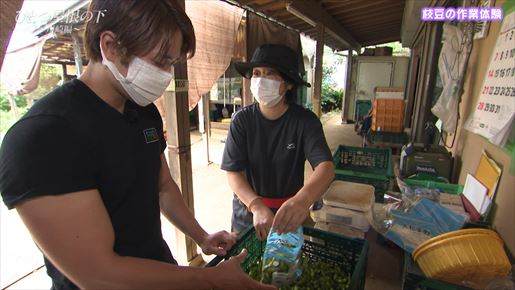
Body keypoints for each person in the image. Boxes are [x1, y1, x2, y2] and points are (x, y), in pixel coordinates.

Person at [0, 1, 275, 289]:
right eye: (161, 61)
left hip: (161, 270)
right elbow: (98, 275)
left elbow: (163, 185)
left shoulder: (143, 111)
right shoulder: (44, 137)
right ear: (110, 46)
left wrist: (201, 236)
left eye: (172, 63)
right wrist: (207, 278)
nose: (168, 74)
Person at [221, 44, 335, 240]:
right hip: (248, 215)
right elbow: (233, 172)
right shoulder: (241, 120)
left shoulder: (305, 122)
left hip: (289, 214)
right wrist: (256, 205)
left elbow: (326, 168)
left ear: (289, 83)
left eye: (270, 74)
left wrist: (302, 200)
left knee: (285, 268)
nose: (260, 80)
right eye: (256, 73)